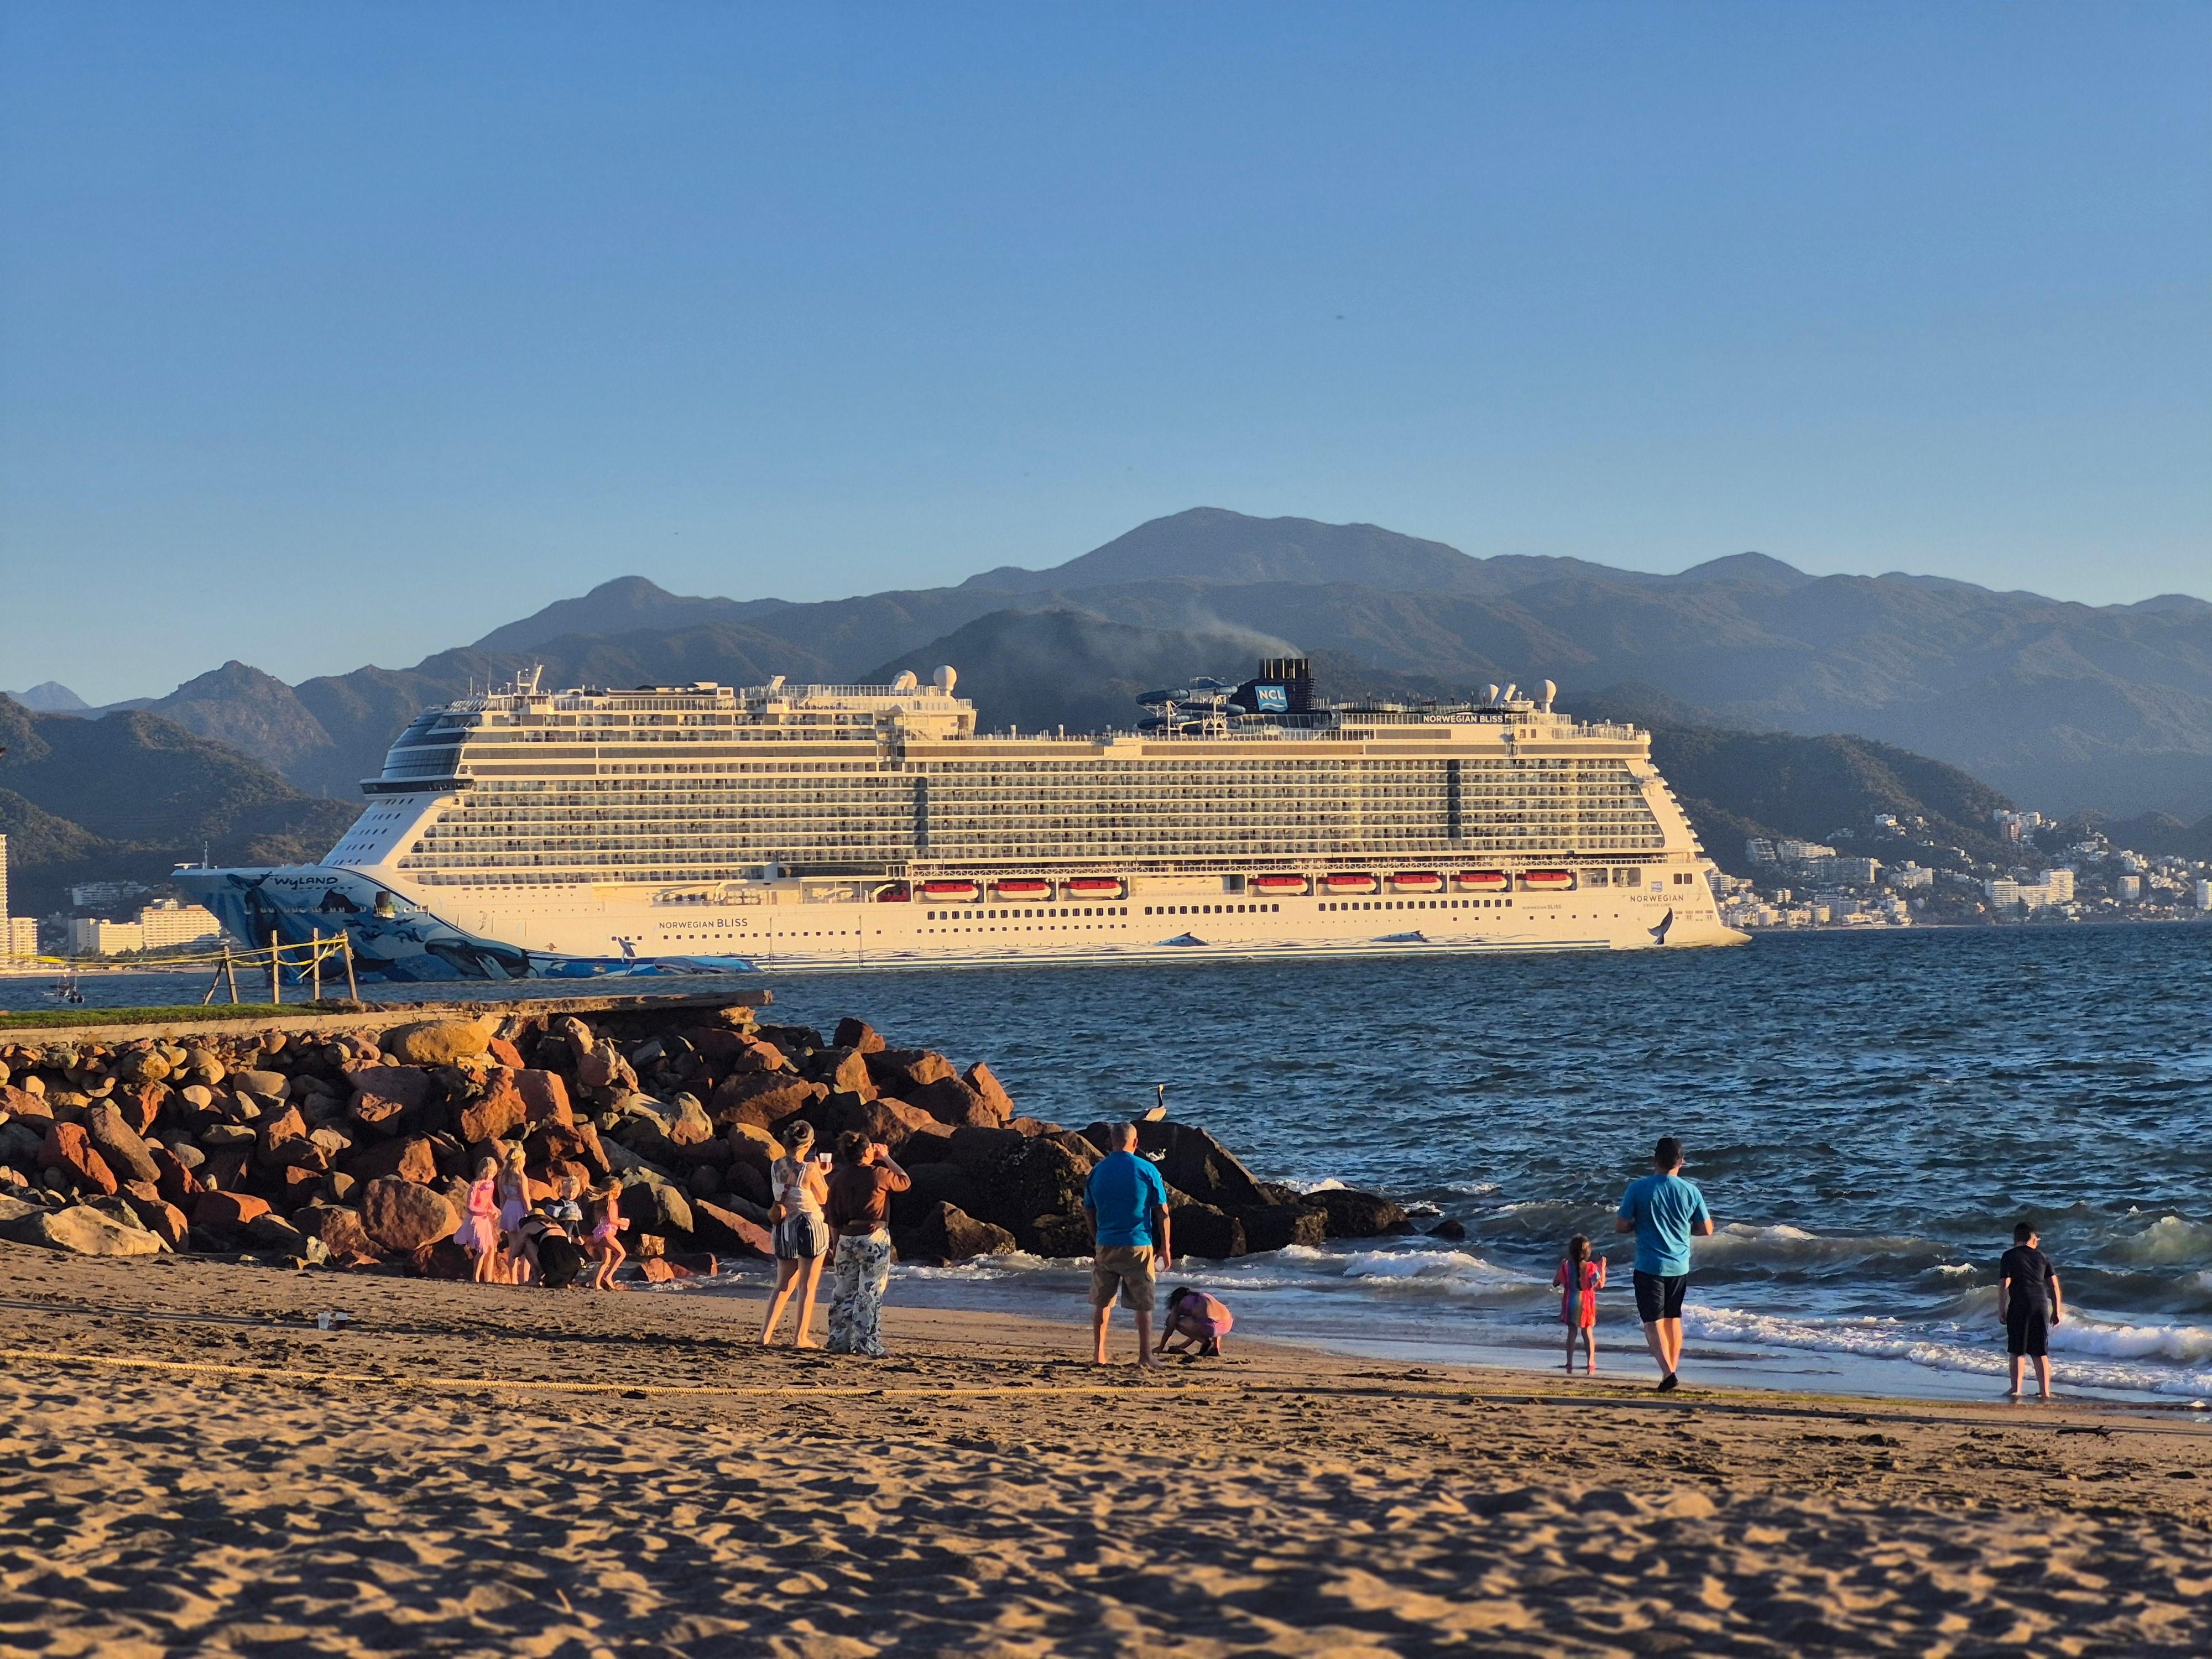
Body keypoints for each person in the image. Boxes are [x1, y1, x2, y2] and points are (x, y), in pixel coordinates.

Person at [1615, 1136, 1714, 1392]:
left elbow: (1622, 1225)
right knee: (1673, 1319)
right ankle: (1672, 1370)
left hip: (1650, 1264)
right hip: (1679, 1265)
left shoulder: (1638, 1189)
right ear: (1682, 1162)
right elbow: (1706, 1229)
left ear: (1654, 1159)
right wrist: (1682, 1228)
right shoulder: (1691, 1191)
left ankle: (1668, 1372)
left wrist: (1641, 1224)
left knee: (1652, 1321)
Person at [1083, 1121, 1173, 1368]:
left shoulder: (1097, 1171)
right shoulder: (1147, 1170)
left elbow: (1089, 1210)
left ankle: (1099, 1355)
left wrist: (1097, 1238)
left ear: (1111, 1143)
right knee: (1143, 1303)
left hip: (1106, 1243)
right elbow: (1162, 1213)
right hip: (1138, 1243)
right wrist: (1165, 1246)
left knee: (1103, 1302)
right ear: (1135, 1143)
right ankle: (1145, 1355)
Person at [824, 1133, 909, 1357]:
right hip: (873, 1236)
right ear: (866, 1152)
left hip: (846, 1237)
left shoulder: (839, 1178)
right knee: (870, 1291)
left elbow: (833, 1217)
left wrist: (835, 1245)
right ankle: (867, 1344)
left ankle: (838, 1341)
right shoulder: (878, 1174)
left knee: (843, 1291)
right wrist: (887, 1157)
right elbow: (904, 1181)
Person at [761, 1120, 832, 1347]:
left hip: (784, 1227)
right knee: (807, 1286)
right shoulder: (810, 1168)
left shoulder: (775, 1166)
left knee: (783, 1284)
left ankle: (765, 1335)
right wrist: (822, 1174)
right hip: (809, 1226)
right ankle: (800, 1337)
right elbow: (823, 1198)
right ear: (809, 1144)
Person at [1999, 1221, 2063, 1400]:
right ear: (2033, 1239)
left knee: (2017, 1350)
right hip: (2041, 1305)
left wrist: (2001, 1308)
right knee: (2040, 1351)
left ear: (2015, 1239)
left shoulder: (2009, 1256)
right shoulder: (2042, 1257)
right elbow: (2054, 1287)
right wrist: (2056, 1311)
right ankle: (2045, 1392)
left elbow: (2005, 1283)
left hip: (2020, 1304)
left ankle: (2016, 1389)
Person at [1554, 1233, 1608, 1374]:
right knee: (1587, 1333)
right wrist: (1602, 1268)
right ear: (1588, 1253)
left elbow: (1556, 1283)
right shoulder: (1591, 1268)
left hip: (1570, 1303)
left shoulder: (1566, 1267)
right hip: (1586, 1304)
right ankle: (1590, 1362)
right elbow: (1600, 1285)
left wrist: (1560, 1267)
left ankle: (1569, 1362)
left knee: (1572, 1333)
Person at [457, 1156, 502, 1282]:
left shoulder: (491, 1184)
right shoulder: (475, 1185)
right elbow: (470, 1207)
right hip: (476, 1220)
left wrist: (494, 1210)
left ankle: (488, 1278)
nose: (491, 1175)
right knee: (482, 1250)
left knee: (490, 1249)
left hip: (485, 1220)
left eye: (493, 1173)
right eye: (489, 1172)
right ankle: (475, 1277)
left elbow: (489, 1201)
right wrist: (485, 1211)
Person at [1157, 1285, 1232, 1358]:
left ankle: (1205, 1342)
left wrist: (1161, 1347)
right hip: (1226, 1325)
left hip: (1210, 1327)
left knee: (1173, 1321)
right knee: (1209, 1320)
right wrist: (1181, 1347)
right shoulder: (1204, 1296)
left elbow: (1170, 1327)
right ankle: (1215, 1348)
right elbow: (1196, 1333)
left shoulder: (1182, 1302)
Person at [495, 1144, 530, 1284]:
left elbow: (502, 1200)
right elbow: (525, 1199)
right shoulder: (521, 1177)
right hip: (520, 1210)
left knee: (513, 1246)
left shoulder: (502, 1177)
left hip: (509, 1209)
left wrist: (504, 1215)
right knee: (526, 1246)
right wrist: (532, 1216)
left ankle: (513, 1279)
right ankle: (525, 1279)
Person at [586, 1181, 629, 1290]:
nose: (620, 1193)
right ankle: (608, 1276)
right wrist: (623, 1223)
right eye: (619, 1190)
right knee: (621, 1254)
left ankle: (596, 1283)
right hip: (607, 1233)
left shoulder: (605, 1203)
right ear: (614, 1191)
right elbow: (611, 1219)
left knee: (606, 1260)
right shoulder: (612, 1203)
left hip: (601, 1234)